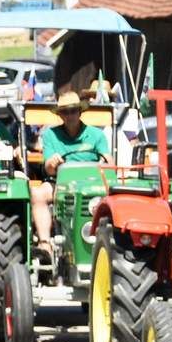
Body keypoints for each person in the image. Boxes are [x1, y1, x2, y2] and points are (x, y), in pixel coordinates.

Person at [37, 91, 111, 261]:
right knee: (38, 195)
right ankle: (45, 243)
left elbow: (109, 162)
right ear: (60, 114)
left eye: (73, 111)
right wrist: (53, 162)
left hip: (91, 184)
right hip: (60, 182)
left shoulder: (96, 135)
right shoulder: (50, 135)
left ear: (80, 111)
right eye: (65, 111)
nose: (69, 115)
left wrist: (105, 160)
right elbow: (48, 168)